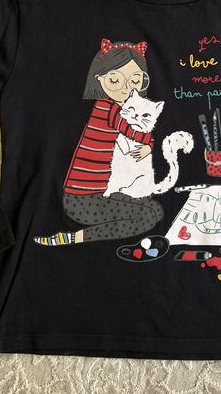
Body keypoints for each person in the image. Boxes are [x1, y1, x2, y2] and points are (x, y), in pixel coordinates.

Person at [33, 38, 163, 245]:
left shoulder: (113, 107)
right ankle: (73, 238)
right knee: (147, 216)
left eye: (135, 81)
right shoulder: (107, 107)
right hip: (81, 200)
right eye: (115, 81)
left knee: (155, 209)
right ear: (99, 79)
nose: (127, 89)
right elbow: (130, 131)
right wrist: (149, 144)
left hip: (99, 193)